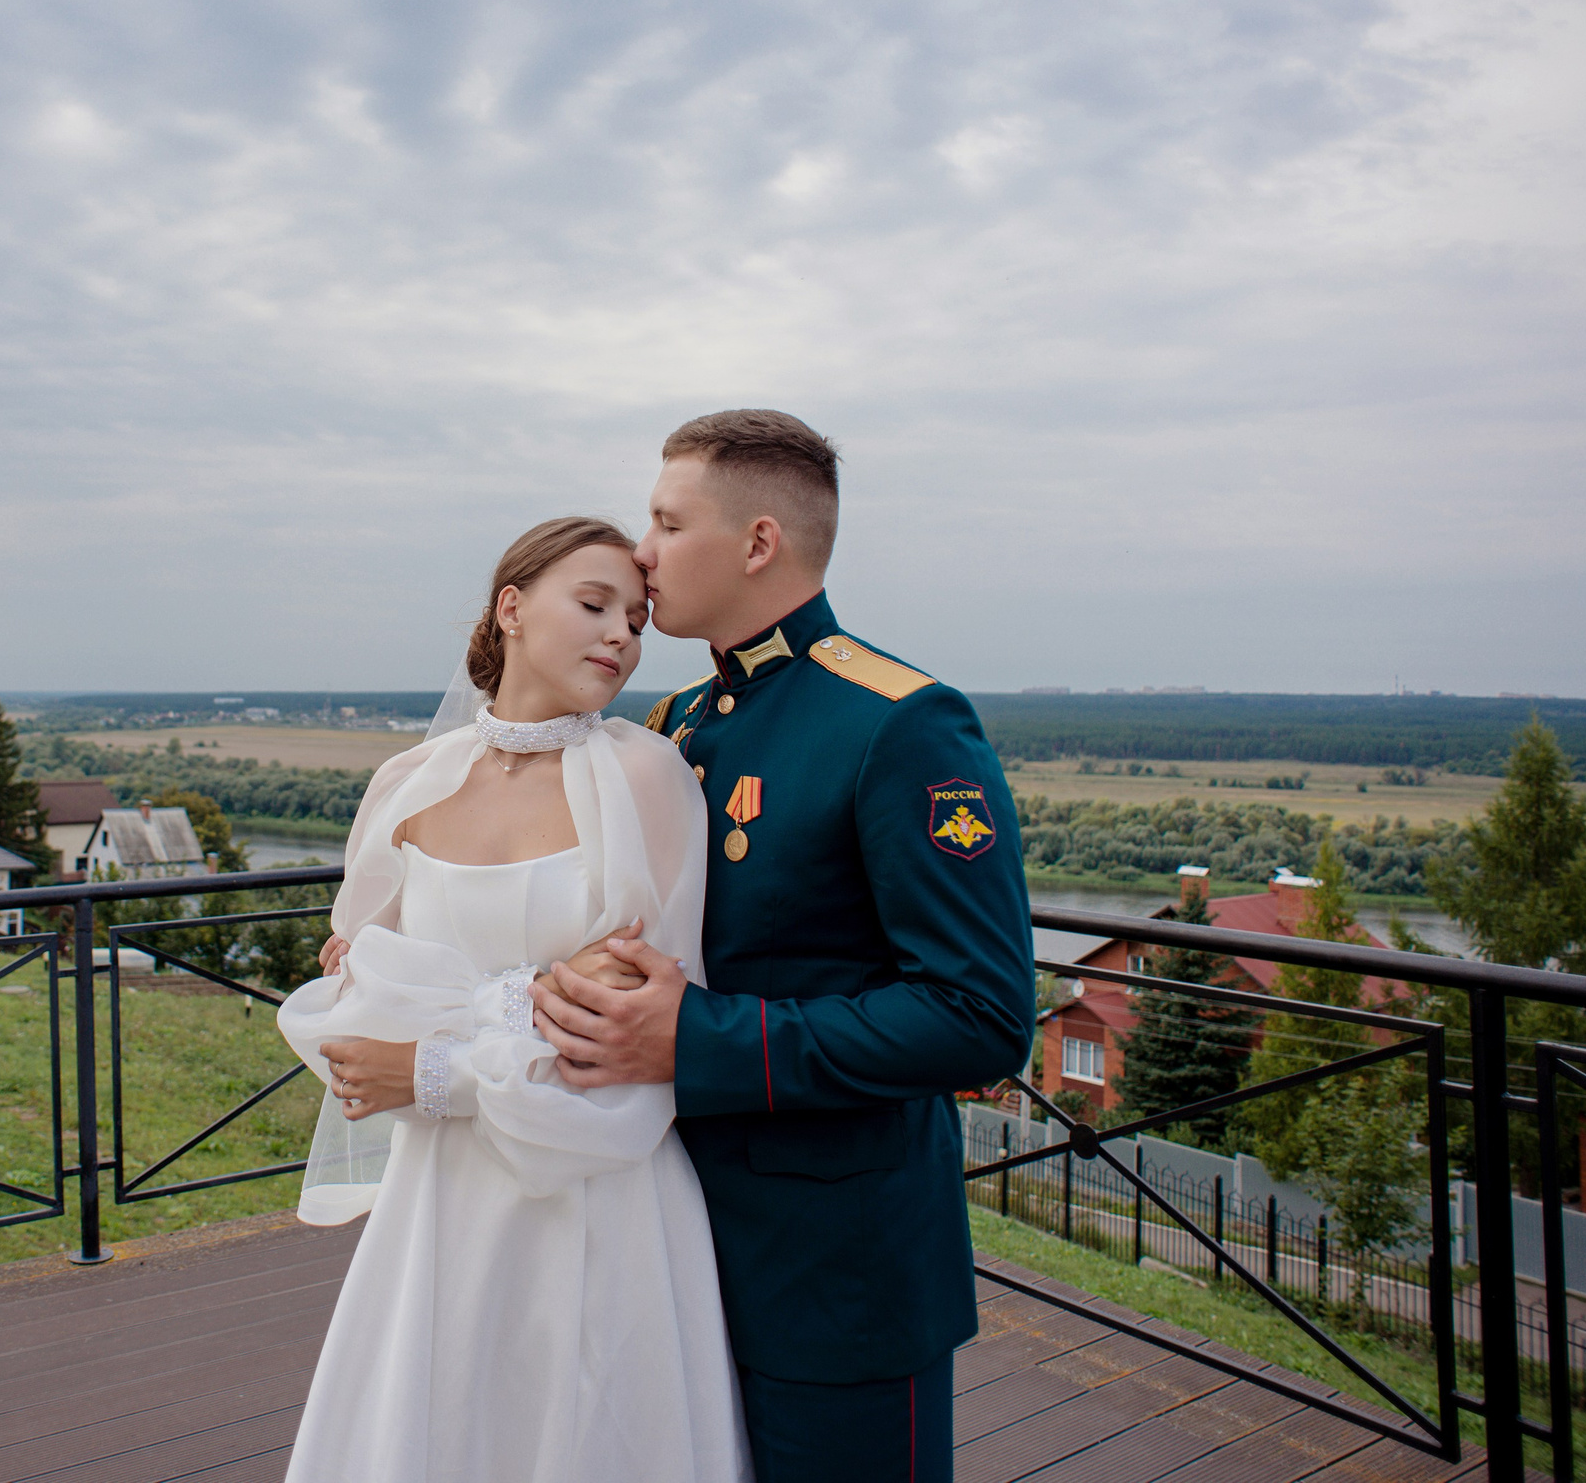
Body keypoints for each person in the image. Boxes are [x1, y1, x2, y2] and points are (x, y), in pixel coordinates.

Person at [530, 410, 1035, 1483]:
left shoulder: (898, 726)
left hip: (832, 1272)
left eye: (666, 523)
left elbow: (979, 1017)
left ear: (758, 543)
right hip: (660, 1240)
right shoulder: (671, 723)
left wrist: (697, 1039)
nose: (640, 553)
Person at [275, 515, 748, 1483]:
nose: (622, 633)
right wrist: (501, 998)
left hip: (595, 1192)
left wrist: (434, 1063)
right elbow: (359, 991)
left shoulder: (645, 778)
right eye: (593, 604)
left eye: (637, 617)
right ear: (512, 608)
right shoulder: (408, 783)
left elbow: (625, 1027)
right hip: (439, 1201)